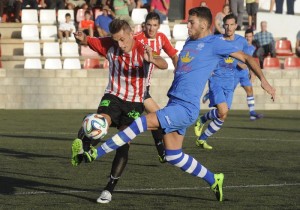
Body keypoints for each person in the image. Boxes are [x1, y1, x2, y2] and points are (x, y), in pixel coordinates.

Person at [72, 7, 276, 202]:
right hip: (174, 103)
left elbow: (247, 57)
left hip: (185, 108)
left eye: (191, 22)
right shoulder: (190, 41)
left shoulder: (216, 43)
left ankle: (94, 154)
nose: (188, 26)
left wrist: (264, 81)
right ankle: (214, 179)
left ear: (204, 25)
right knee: (173, 155)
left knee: (139, 124)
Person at [72, 18, 168, 204]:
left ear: (131, 33)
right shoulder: (108, 44)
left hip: (134, 103)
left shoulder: (142, 49)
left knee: (123, 143)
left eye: (122, 39)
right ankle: (85, 145)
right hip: (113, 96)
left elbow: (164, 64)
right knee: (101, 121)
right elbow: (85, 40)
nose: (120, 44)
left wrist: (153, 59)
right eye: (116, 40)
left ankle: (109, 188)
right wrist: (79, 37)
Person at [194, 14, 262, 150]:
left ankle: (202, 137)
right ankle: (201, 120)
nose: (229, 27)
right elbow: (204, 53)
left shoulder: (242, 41)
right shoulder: (216, 39)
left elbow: (247, 58)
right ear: (223, 25)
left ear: (236, 26)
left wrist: (251, 70)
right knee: (222, 110)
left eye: (232, 25)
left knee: (223, 115)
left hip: (230, 82)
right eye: (226, 25)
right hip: (216, 80)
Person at [135, 11, 178, 162]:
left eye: (154, 25)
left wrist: (178, 72)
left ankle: (162, 153)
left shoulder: (161, 38)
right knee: (157, 118)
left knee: (157, 119)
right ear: (144, 26)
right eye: (149, 25)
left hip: (144, 88)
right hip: (135, 87)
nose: (151, 29)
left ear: (159, 26)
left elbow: (173, 55)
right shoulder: (137, 39)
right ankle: (163, 152)